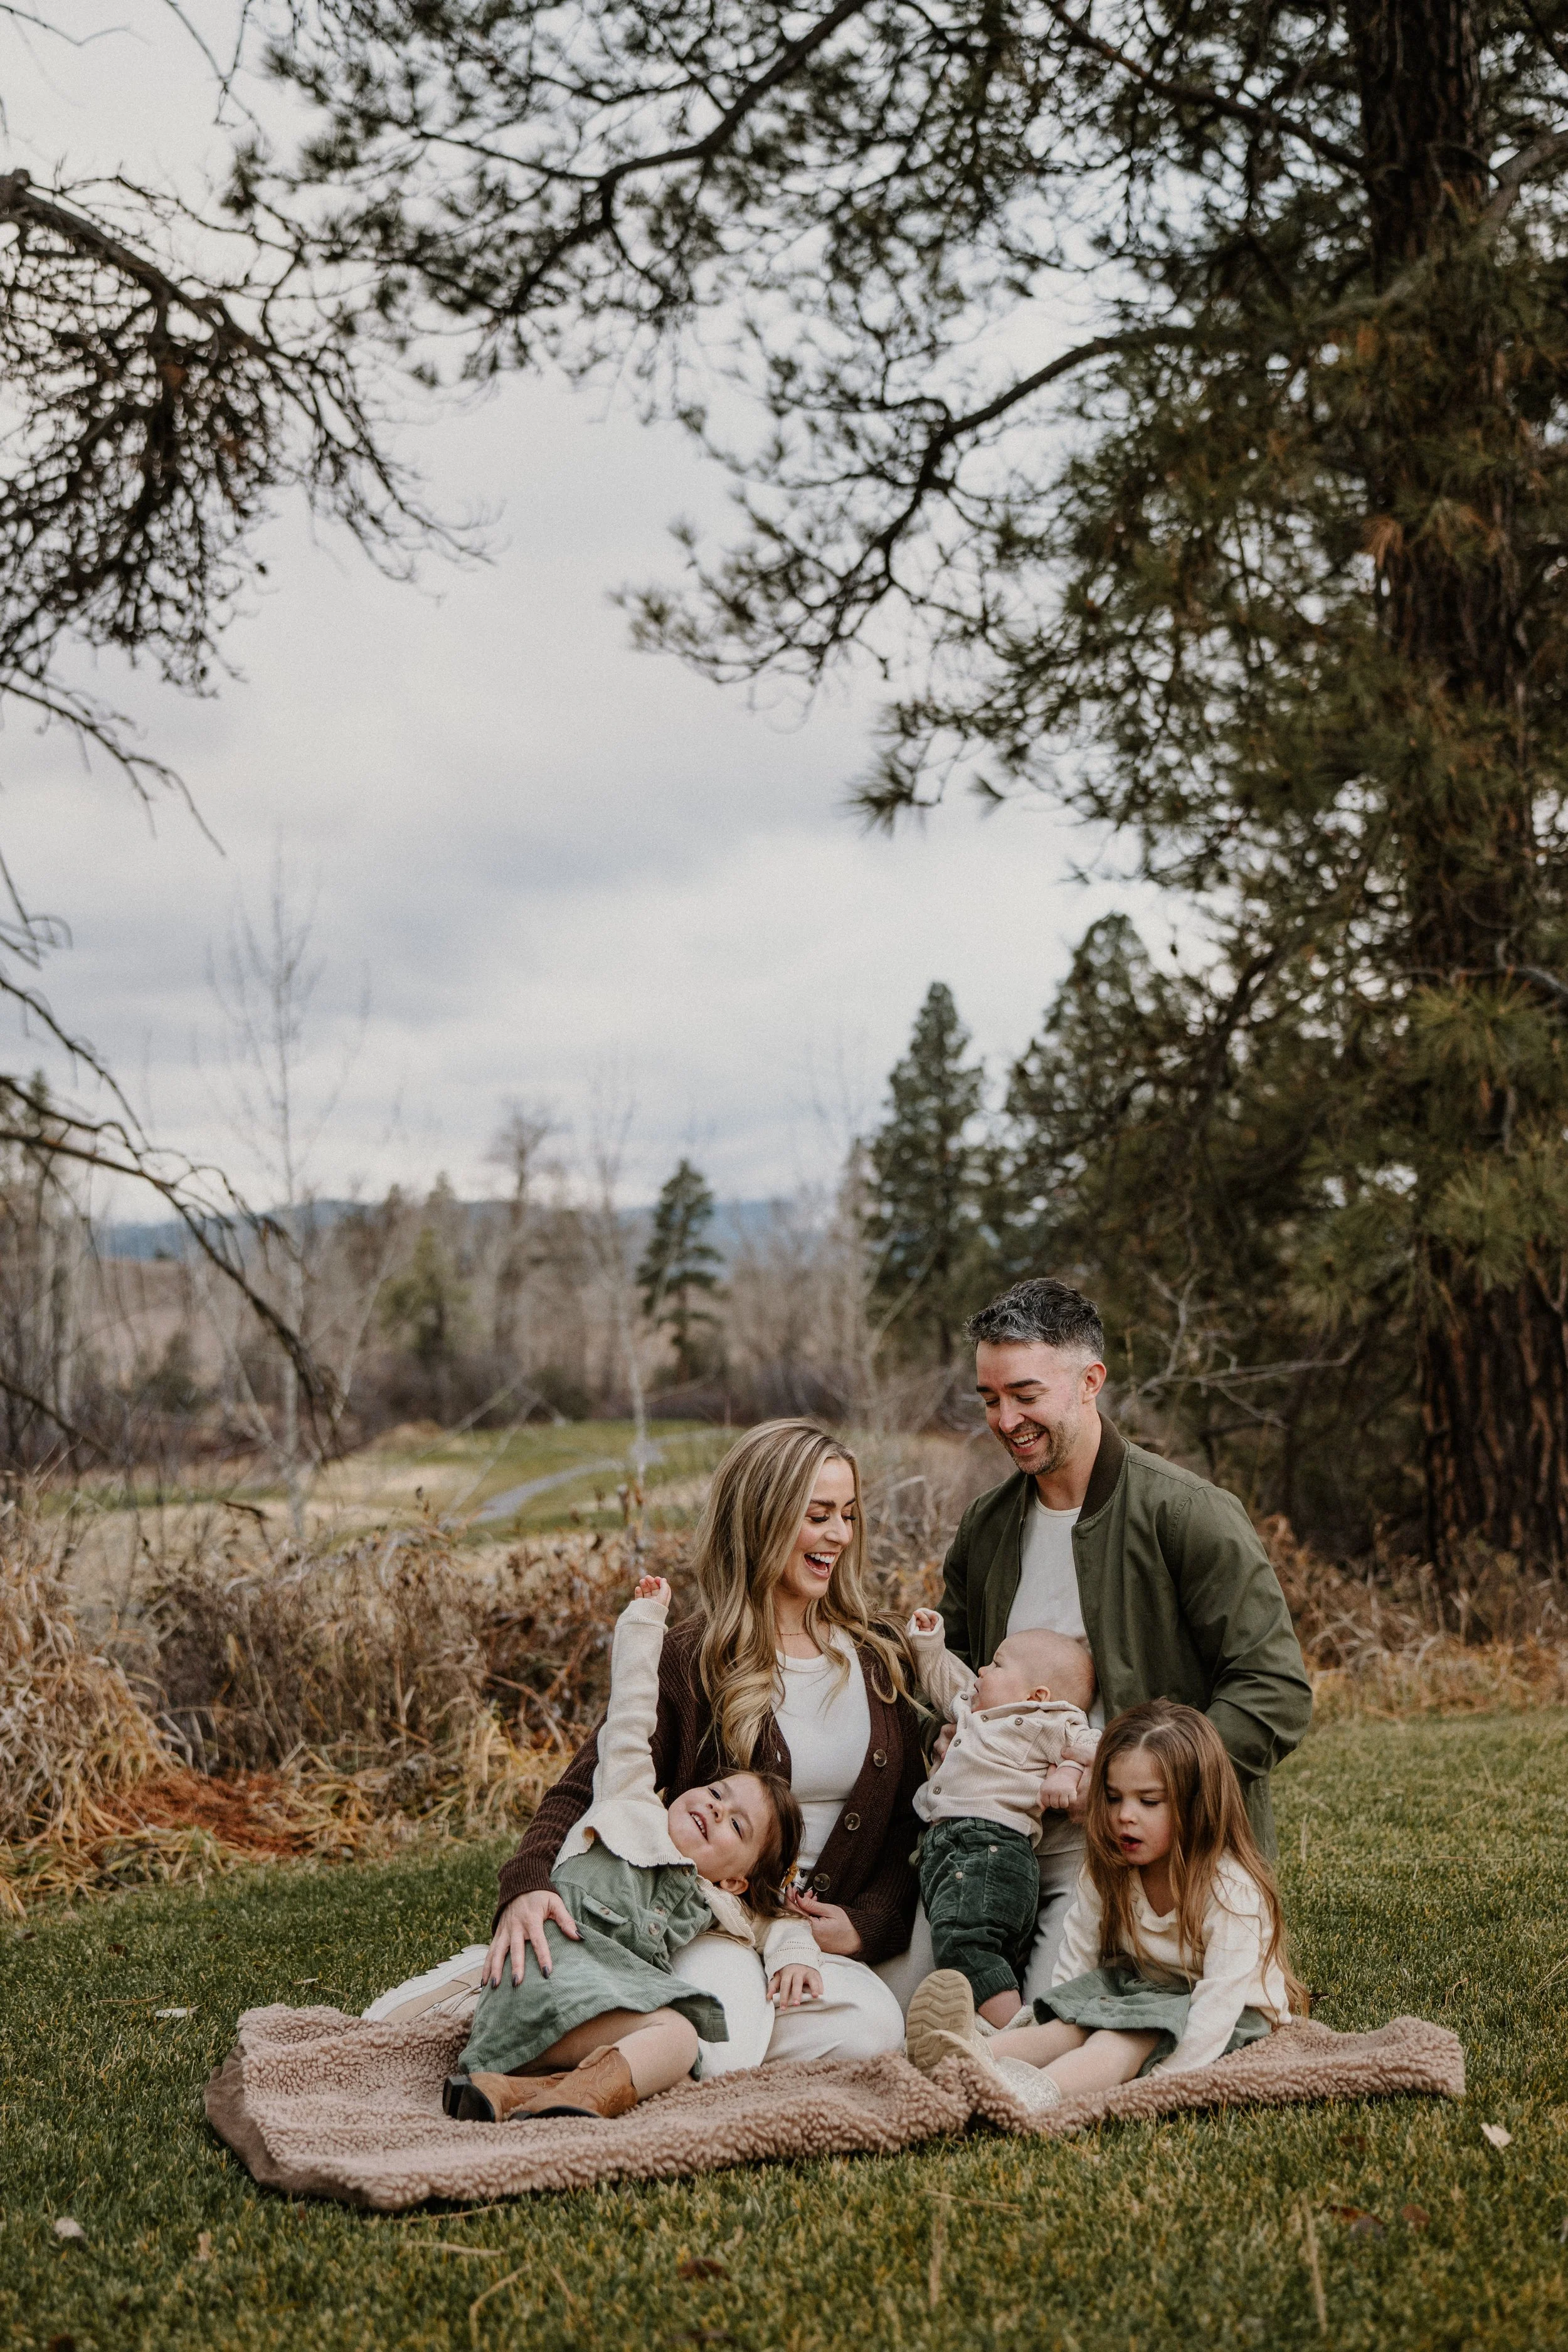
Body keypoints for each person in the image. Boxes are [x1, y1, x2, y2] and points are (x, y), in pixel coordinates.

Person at [884, 1276, 1312, 2010]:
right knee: (907, 2007)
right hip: (990, 1833)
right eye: (989, 1399)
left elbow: (1274, 1692)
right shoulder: (988, 1528)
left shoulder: (1188, 1515)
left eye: (1025, 1394)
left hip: (1121, 1845)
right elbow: (943, 1676)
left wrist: (1136, 1782)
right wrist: (945, 1735)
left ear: (1090, 1382)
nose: (1005, 1419)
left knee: (1060, 2014)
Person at [482, 1419, 921, 2072]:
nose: (838, 1535)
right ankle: (646, 2034)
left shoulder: (881, 1657)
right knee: (725, 2039)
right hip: (708, 1925)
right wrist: (526, 1885)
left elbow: (908, 1826)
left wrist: (867, 1924)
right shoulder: (692, 1655)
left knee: (873, 2029)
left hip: (804, 1946)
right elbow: (593, 1778)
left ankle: (627, 2024)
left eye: (848, 1515)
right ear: (764, 1519)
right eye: (818, 1515)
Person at [443, 1576, 818, 2122]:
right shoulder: (627, 1803)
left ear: (734, 1881)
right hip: (544, 1980)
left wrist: (795, 1958)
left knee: (679, 2039)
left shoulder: (714, 1901)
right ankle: (578, 2096)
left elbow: (775, 1924)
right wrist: (644, 1623)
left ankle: (516, 2093)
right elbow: (630, 1717)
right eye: (716, 1793)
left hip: (581, 2019)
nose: (715, 1809)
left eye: (736, 1827)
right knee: (677, 2035)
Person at [904, 1699, 1303, 2112]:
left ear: (1196, 1804)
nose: (1125, 1816)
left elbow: (1218, 2006)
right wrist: (1063, 2013)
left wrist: (1165, 2084)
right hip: (1146, 1991)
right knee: (1066, 2030)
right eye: (1113, 1798)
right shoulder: (1110, 1869)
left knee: (1118, 2041)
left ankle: (1020, 2098)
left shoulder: (1230, 1890)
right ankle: (959, 2059)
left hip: (1231, 2017)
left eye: (1149, 1802)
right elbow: (1077, 1960)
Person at [905, 1611, 1099, 2026]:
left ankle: (1013, 2035)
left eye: (997, 1664)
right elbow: (945, 1681)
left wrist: (1067, 1773)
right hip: (952, 1851)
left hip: (987, 1848)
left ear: (1039, 1694)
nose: (982, 1669)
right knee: (979, 1949)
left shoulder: (1042, 1720)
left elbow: (1091, 1745)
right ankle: (987, 2028)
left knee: (965, 1944)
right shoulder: (974, 1708)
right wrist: (931, 1643)